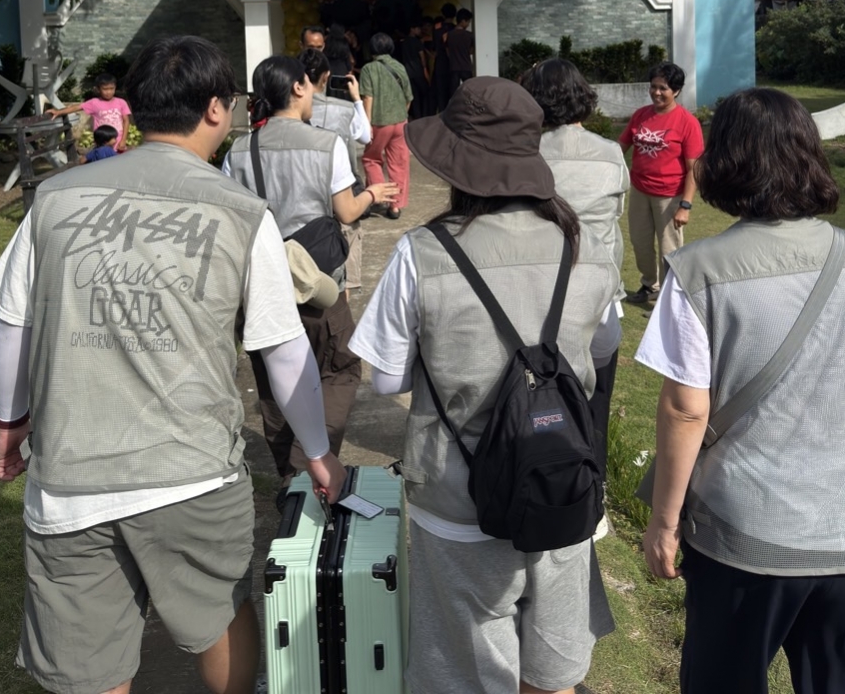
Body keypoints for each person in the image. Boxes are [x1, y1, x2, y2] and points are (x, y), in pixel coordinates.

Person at [0, 35, 344, 694]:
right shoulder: (242, 214)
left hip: (70, 473)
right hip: (193, 473)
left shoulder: (54, 199)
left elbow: (13, 326)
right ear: (216, 108)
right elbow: (284, 347)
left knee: (86, 655)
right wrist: (317, 451)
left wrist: (12, 423)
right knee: (219, 610)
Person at [350, 77, 619, 694]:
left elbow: (387, 377)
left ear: (457, 166)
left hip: (458, 499)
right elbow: (600, 351)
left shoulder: (423, 252)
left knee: (467, 672)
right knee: (552, 672)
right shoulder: (584, 245)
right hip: (561, 486)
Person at [636, 88, 845, 694]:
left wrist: (664, 523)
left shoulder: (700, 271)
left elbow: (685, 410)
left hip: (744, 534)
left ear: (725, 160)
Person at [222, 55, 397, 487]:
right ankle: (309, 467)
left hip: (262, 288)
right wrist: (373, 193)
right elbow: (346, 211)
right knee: (339, 369)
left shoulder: (240, 150)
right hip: (317, 284)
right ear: (299, 87)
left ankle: (291, 478)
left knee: (273, 384)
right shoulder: (325, 144)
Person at [522, 58, 630, 497]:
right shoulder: (610, 153)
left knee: (535, 394)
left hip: (538, 290)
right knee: (596, 396)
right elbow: (614, 213)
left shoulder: (525, 153)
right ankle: (593, 485)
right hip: (599, 293)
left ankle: (538, 474)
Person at [618, 61, 703, 307]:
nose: (656, 92)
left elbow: (694, 168)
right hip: (640, 191)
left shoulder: (687, 122)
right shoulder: (641, 115)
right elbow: (620, 147)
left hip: (670, 195)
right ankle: (649, 286)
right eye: (653, 86)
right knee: (640, 243)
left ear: (676, 91)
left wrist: (685, 205)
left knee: (669, 249)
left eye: (663, 88)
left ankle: (668, 300)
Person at [300, 46, 372, 295]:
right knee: (343, 270)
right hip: (342, 193)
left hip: (305, 197)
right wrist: (356, 99)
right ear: (327, 76)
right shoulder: (343, 109)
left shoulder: (289, 111)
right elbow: (366, 136)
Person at [359, 32, 413, 220]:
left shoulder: (368, 69)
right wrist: (401, 115)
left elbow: (368, 98)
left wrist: (367, 124)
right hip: (400, 121)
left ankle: (380, 196)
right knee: (399, 163)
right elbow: (408, 97)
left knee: (371, 159)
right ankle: (395, 206)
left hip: (379, 123)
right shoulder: (399, 66)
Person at [45, 70, 132, 151]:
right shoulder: (94, 103)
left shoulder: (121, 102)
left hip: (118, 141)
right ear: (98, 89)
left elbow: (126, 121)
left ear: (115, 88)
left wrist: (123, 140)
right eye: (105, 89)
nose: (108, 92)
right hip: (102, 143)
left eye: (111, 88)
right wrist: (58, 112)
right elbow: (76, 107)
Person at [401, 17, 431, 119]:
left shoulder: (404, 42)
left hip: (408, 73)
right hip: (418, 72)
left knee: (414, 96)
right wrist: (425, 69)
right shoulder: (417, 42)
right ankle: (425, 115)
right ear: (412, 29)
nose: (419, 30)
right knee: (426, 93)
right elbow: (422, 57)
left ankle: (417, 116)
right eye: (417, 28)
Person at [444, 7, 475, 91]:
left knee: (454, 92)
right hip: (466, 67)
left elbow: (448, 52)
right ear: (463, 21)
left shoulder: (449, 35)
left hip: (453, 67)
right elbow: (471, 51)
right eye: (468, 22)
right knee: (470, 91)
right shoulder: (469, 35)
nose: (468, 24)